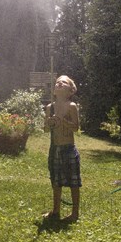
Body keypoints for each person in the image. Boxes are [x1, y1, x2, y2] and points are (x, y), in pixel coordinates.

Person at [43, 75, 81, 222]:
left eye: (63, 82)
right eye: (57, 82)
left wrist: (63, 121)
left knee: (73, 181)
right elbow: (46, 129)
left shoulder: (72, 106)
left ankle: (75, 213)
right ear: (54, 90)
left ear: (70, 91)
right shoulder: (49, 108)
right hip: (55, 148)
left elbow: (76, 127)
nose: (59, 83)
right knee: (55, 181)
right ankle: (56, 210)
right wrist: (50, 123)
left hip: (68, 148)